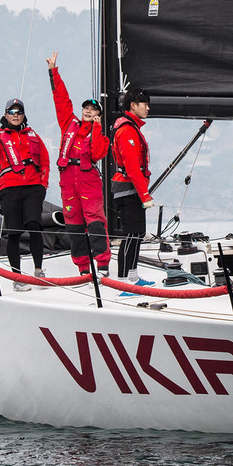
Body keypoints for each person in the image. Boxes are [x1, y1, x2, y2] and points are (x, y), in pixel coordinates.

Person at [46, 52, 110, 276]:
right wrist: (54, 71)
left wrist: (96, 129)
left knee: (95, 225)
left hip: (88, 182)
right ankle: (83, 268)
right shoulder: (68, 124)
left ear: (98, 115)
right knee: (74, 227)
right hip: (68, 182)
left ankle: (102, 265)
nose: (88, 111)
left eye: (93, 110)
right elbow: (61, 100)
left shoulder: (100, 135)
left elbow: (97, 154)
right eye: (86, 108)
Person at [0, 98, 50, 291]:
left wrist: (43, 184)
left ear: (24, 115)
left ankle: (39, 271)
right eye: (12, 111)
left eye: (19, 111)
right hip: (9, 187)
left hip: (34, 186)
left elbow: (45, 160)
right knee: (14, 232)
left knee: (35, 226)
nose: (16, 114)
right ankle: (17, 277)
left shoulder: (32, 134)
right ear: (5, 115)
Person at [110, 88, 154, 289]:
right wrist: (145, 195)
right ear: (133, 105)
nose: (148, 107)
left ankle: (133, 277)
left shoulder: (133, 128)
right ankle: (122, 283)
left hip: (134, 189)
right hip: (128, 190)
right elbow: (132, 166)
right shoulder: (127, 130)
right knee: (130, 235)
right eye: (144, 103)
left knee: (137, 233)